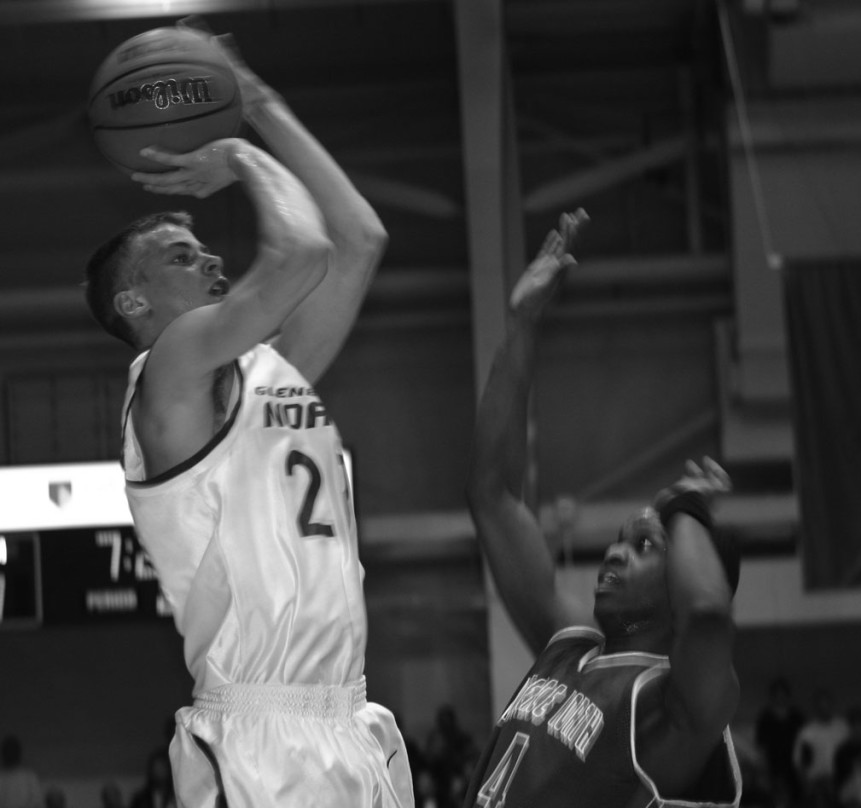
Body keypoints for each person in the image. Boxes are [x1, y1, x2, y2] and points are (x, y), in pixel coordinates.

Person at [82, 21, 411, 808]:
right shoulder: (165, 379)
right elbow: (302, 253)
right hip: (260, 739)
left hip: (350, 718)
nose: (213, 261)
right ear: (136, 301)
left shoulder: (267, 372)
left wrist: (257, 100)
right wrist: (234, 156)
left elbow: (358, 238)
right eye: (182, 256)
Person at [463, 209, 742, 807]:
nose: (615, 550)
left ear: (681, 581)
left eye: (643, 546)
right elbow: (491, 495)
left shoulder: (673, 702)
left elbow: (709, 616)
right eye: (623, 538)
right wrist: (522, 324)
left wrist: (683, 507)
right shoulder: (567, 647)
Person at [756, 676, 806, 808]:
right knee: (774, 799)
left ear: (787, 695)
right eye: (777, 694)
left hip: (794, 767)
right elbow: (761, 747)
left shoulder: (797, 716)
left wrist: (802, 769)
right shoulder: (765, 718)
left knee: (796, 799)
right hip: (774, 766)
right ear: (772, 696)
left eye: (783, 694)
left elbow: (804, 744)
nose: (780, 697)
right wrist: (764, 771)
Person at [0, 735, 44, 808]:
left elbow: (37, 803)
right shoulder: (30, 778)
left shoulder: (30, 778)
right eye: (8, 752)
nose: (10, 755)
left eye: (12, 751)